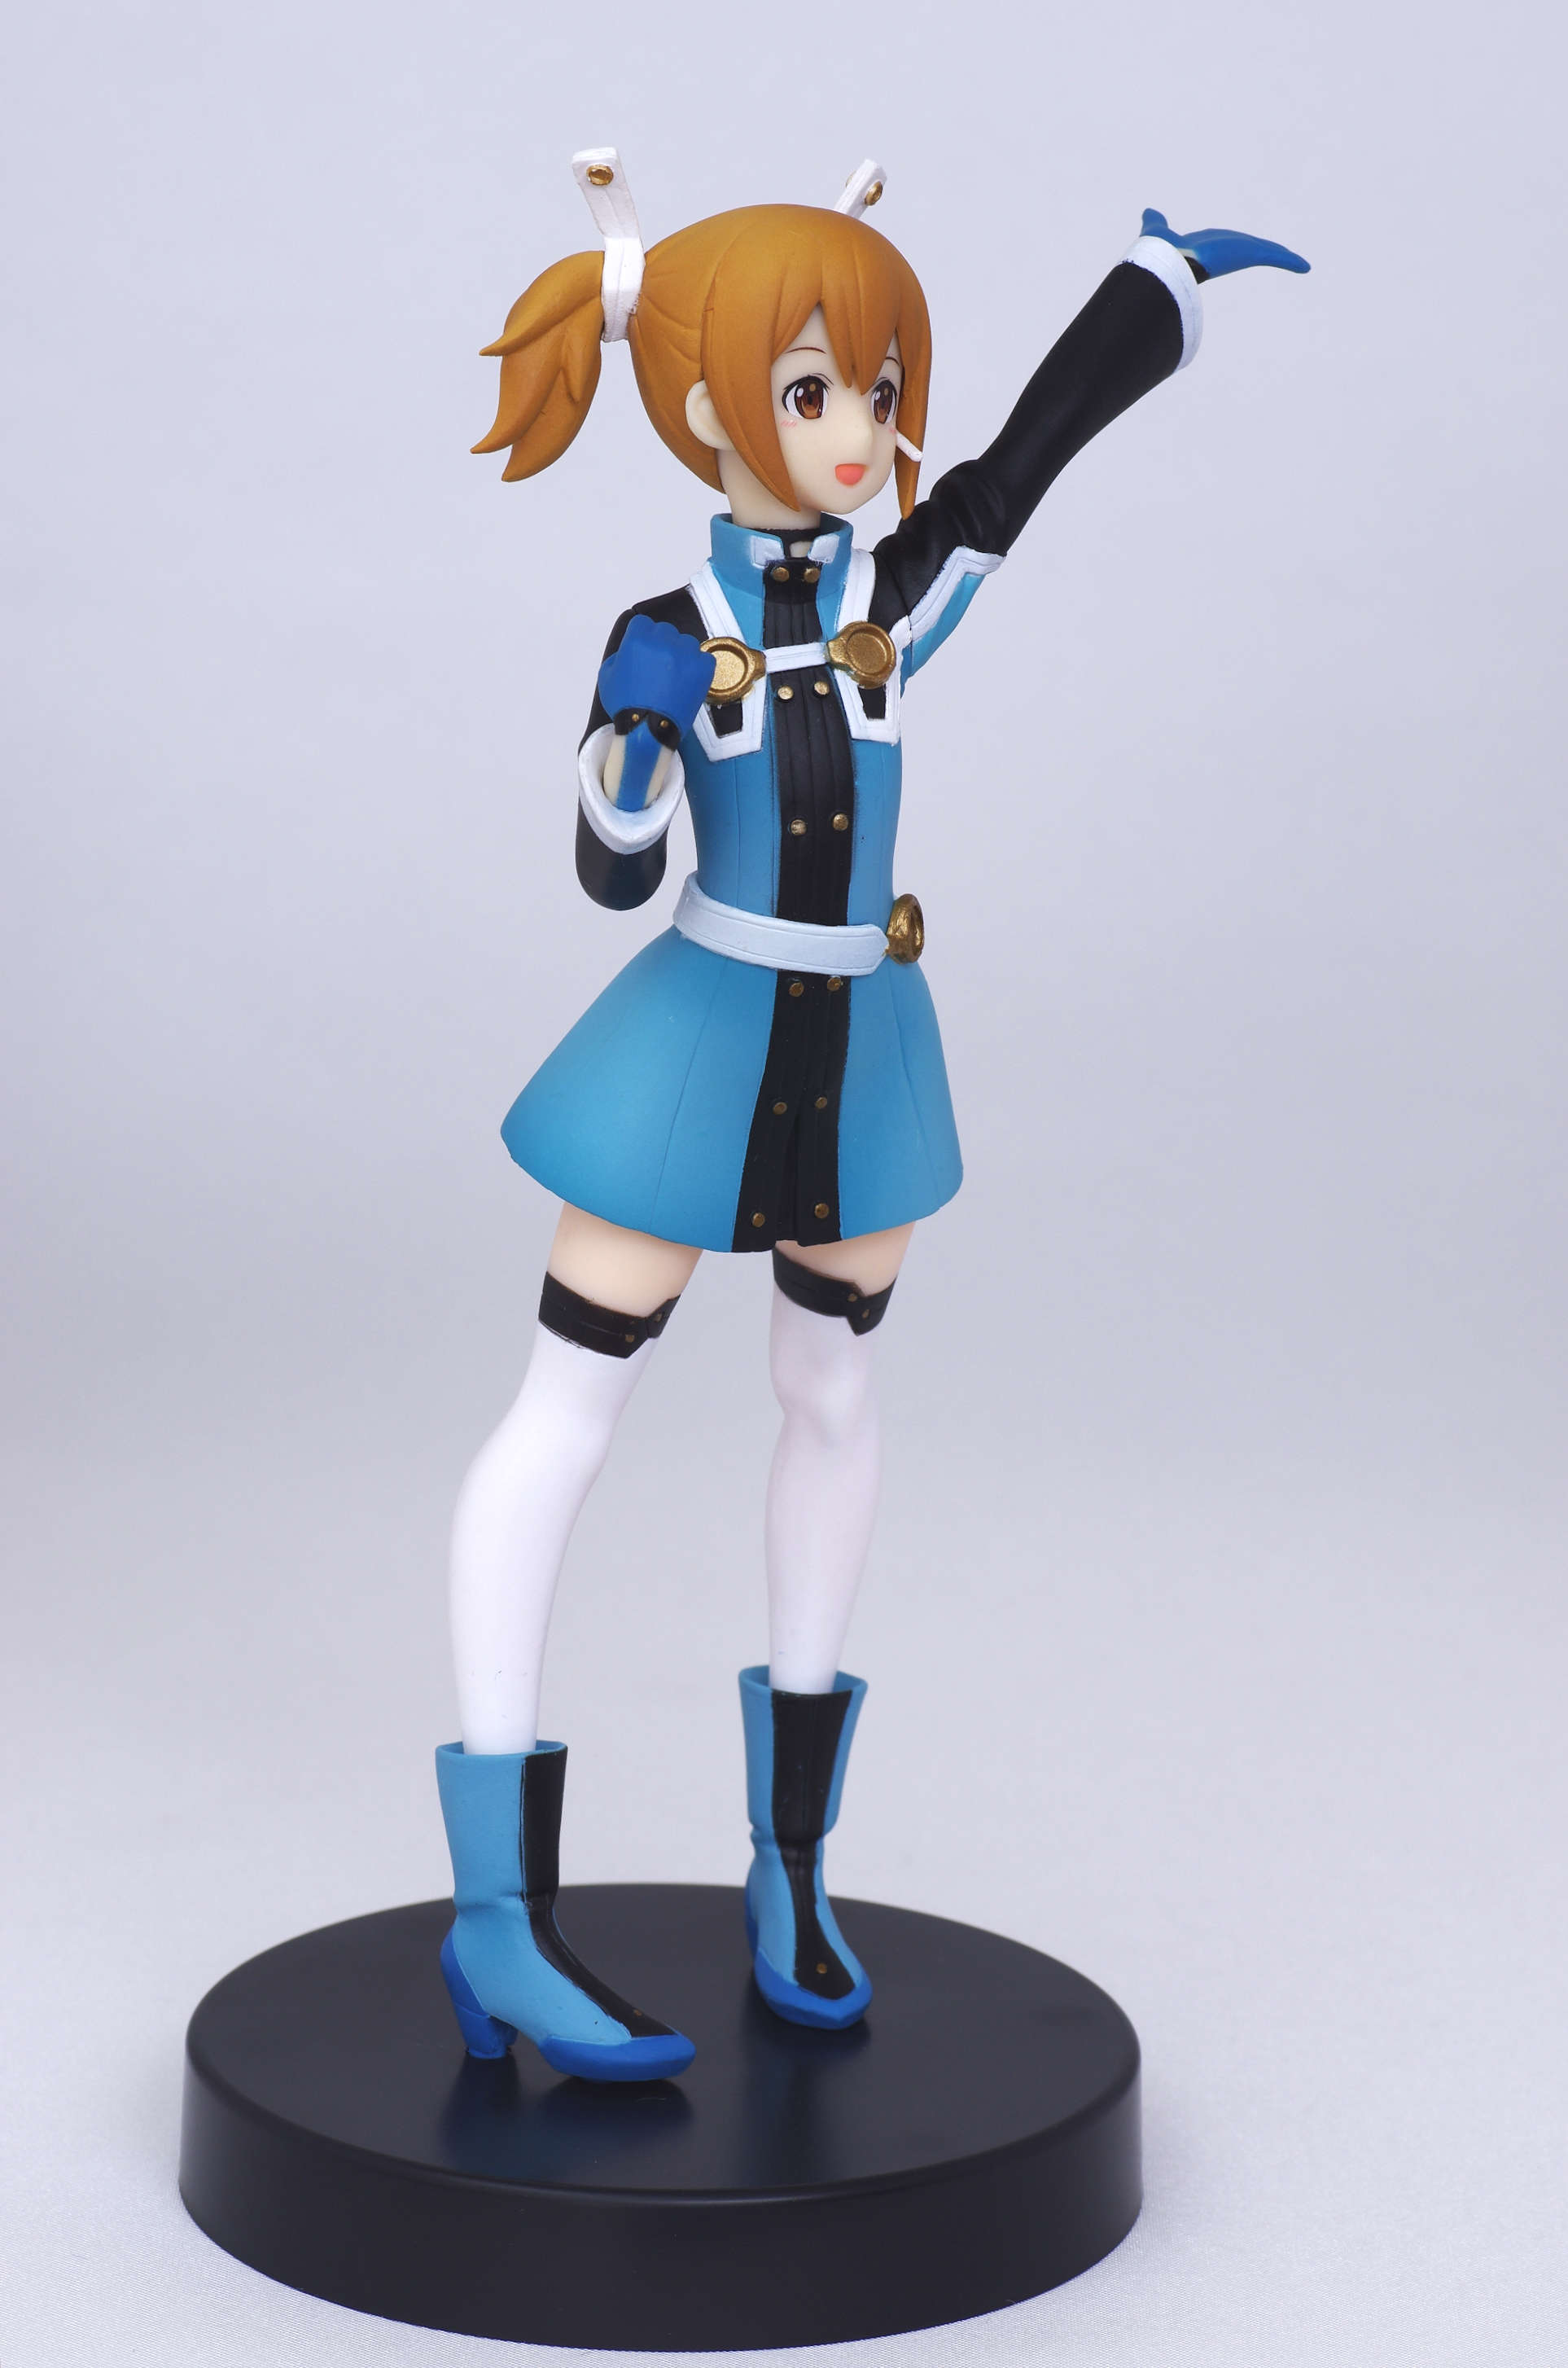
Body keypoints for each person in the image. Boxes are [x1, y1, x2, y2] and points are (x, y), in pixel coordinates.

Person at [434, 151, 1307, 2081]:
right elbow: (608, 869)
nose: (860, 431)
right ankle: (495, 1915)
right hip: (693, 1046)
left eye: (877, 388)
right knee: (565, 1411)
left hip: (861, 1057)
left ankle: (794, 1864)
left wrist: (1155, 286)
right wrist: (628, 753)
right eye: (812, 388)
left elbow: (1017, 470)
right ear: (704, 402)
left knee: (830, 1396)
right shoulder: (660, 626)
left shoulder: (899, 596)